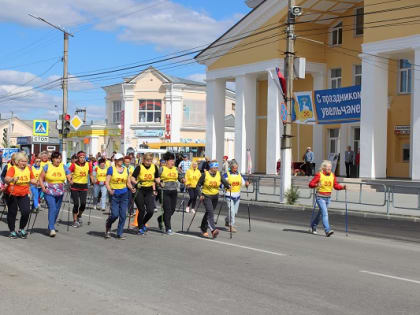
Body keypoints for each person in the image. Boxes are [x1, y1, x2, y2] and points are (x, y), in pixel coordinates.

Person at [308, 160, 346, 237]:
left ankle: (313, 225)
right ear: (324, 168)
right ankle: (327, 230)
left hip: (328, 198)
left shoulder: (332, 175)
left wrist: (342, 187)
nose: (329, 169)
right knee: (325, 213)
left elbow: (335, 186)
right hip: (320, 197)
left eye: (330, 168)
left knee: (321, 214)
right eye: (328, 168)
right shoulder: (319, 175)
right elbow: (310, 184)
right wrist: (316, 185)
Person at [4, 152, 37, 239]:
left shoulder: (28, 169)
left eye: (25, 161)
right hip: (12, 194)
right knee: (12, 213)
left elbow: (33, 179)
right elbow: (6, 179)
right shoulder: (12, 169)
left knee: (26, 211)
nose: (24, 163)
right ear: (17, 161)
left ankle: (21, 229)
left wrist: (38, 183)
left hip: (24, 193)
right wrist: (12, 179)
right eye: (22, 161)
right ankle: (12, 231)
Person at [39, 151, 72, 237]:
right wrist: (43, 188)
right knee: (52, 208)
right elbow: (41, 178)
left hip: (60, 191)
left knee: (56, 211)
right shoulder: (47, 166)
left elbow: (69, 175)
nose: (58, 160)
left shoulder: (63, 166)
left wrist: (70, 179)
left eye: (60, 158)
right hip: (49, 191)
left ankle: (50, 227)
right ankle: (52, 228)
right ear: (52, 159)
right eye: (57, 158)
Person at [196, 160, 230, 238]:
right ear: (211, 167)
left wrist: (228, 186)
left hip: (215, 196)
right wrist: (200, 195)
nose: (216, 169)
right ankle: (213, 230)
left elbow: (224, 181)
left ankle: (203, 228)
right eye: (215, 167)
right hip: (206, 196)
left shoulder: (219, 174)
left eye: (217, 167)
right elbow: (198, 185)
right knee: (210, 212)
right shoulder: (205, 174)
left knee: (208, 212)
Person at [105, 153, 134, 239]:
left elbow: (128, 182)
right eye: (119, 159)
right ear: (115, 160)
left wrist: (132, 188)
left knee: (123, 215)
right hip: (114, 194)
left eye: (122, 159)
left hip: (124, 194)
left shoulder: (126, 170)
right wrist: (110, 190)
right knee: (114, 215)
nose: (121, 161)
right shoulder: (111, 169)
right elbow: (107, 182)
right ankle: (108, 224)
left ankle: (119, 233)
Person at [131, 152, 159, 235]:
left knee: (150, 210)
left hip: (149, 190)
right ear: (143, 160)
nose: (148, 162)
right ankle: (140, 227)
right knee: (142, 210)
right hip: (139, 190)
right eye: (147, 160)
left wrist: (160, 182)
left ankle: (142, 223)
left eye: (150, 160)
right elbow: (132, 178)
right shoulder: (139, 167)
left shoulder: (154, 167)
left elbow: (157, 178)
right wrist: (136, 183)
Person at [157, 152, 184, 235]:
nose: (173, 162)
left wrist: (183, 180)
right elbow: (156, 178)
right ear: (166, 161)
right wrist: (159, 183)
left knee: (172, 210)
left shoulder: (176, 169)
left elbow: (180, 177)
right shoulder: (162, 169)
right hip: (164, 191)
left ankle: (160, 219)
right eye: (171, 160)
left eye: (173, 160)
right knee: (168, 210)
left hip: (174, 191)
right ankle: (168, 229)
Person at [68, 151, 95, 228]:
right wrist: (70, 180)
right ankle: (75, 221)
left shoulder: (88, 164)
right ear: (78, 158)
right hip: (75, 186)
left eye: (83, 157)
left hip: (84, 186)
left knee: (83, 204)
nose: (82, 159)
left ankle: (79, 215)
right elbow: (68, 173)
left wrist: (93, 179)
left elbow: (90, 174)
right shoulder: (74, 165)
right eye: (80, 157)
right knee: (76, 204)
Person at [224, 161, 249, 232]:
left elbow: (243, 183)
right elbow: (221, 183)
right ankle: (231, 226)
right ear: (231, 168)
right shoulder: (226, 175)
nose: (236, 169)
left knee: (234, 212)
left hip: (237, 196)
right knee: (231, 212)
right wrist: (226, 185)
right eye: (234, 168)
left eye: (236, 168)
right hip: (229, 195)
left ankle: (227, 220)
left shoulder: (239, 175)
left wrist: (247, 184)